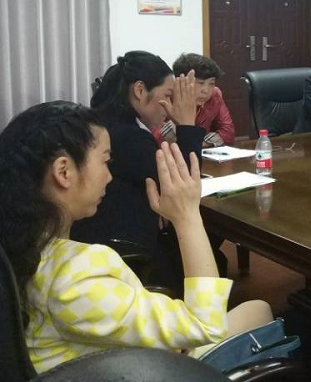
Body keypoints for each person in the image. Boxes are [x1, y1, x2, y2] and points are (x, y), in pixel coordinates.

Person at [0, 101, 271, 374]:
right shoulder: (74, 276)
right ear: (64, 172)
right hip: (138, 370)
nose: (109, 176)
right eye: (105, 161)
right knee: (259, 310)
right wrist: (187, 217)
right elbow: (205, 325)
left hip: (106, 361)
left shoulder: (23, 245)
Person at [70, 51, 204, 289]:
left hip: (93, 238)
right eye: (168, 96)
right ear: (140, 90)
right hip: (122, 246)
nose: (170, 107)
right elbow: (183, 182)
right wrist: (186, 124)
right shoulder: (128, 136)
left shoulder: (101, 121)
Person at [170, 53, 235, 147]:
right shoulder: (167, 97)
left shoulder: (214, 95)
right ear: (181, 81)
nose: (206, 91)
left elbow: (228, 133)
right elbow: (159, 136)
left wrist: (200, 143)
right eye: (200, 83)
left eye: (211, 83)